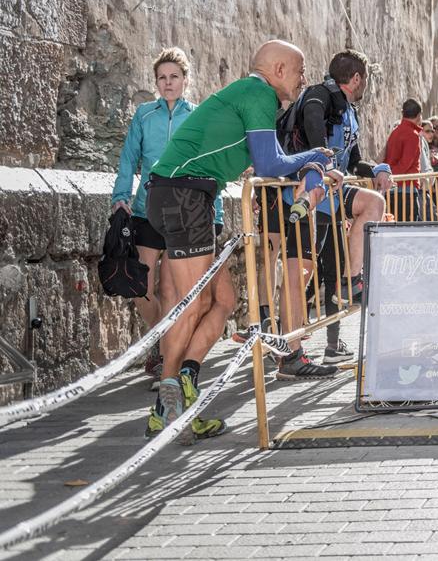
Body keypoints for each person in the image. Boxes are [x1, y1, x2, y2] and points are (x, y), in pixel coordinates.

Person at [144, 40, 335, 444]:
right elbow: (270, 163)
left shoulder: (250, 95)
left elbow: (268, 158)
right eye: (300, 71)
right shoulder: (259, 94)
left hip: (189, 195)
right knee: (192, 303)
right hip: (185, 195)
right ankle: (165, 406)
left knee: (225, 302)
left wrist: (307, 161)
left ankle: (187, 383)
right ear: (279, 69)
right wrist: (315, 156)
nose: (303, 80)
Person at [111, 47, 223, 384]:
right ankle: (166, 343)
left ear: (185, 80)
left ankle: (167, 358)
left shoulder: (199, 116)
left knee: (176, 292)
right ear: (156, 82)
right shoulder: (145, 115)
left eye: (174, 76)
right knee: (140, 289)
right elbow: (129, 160)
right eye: (162, 77)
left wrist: (213, 212)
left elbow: (210, 168)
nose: (168, 82)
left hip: (187, 215)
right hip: (147, 211)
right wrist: (121, 198)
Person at [273, 50, 391, 366]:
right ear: (356, 79)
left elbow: (353, 160)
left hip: (332, 194)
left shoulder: (349, 110)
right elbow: (313, 131)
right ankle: (289, 352)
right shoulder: (318, 96)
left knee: (372, 203)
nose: (365, 85)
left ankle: (352, 281)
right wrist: (323, 165)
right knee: (302, 273)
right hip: (304, 194)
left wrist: (377, 168)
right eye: (365, 79)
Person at [384, 99, 426, 175]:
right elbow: (405, 164)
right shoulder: (413, 135)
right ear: (419, 115)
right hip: (406, 183)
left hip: (395, 180)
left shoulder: (395, 131)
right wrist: (390, 177)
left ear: (403, 113)